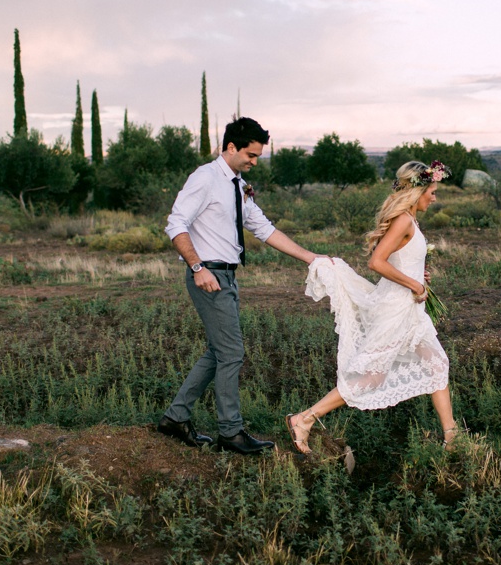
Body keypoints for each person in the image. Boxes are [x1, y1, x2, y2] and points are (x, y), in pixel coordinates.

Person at [159, 117, 327, 455]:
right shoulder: (205, 178)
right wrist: (197, 267)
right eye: (250, 155)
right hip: (208, 276)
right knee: (232, 352)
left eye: (257, 156)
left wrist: (312, 258)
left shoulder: (238, 185)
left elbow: (263, 228)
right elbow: (176, 223)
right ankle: (231, 433)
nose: (254, 162)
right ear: (231, 147)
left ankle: (176, 418)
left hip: (227, 276)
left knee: (218, 351)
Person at [286, 160, 459, 454]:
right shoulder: (403, 219)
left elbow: (398, 260)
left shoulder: (412, 221)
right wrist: (414, 285)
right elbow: (376, 262)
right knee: (372, 377)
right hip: (395, 309)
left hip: (411, 311)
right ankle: (304, 419)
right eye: (433, 191)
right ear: (418, 191)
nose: (434, 197)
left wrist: (418, 276)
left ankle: (452, 437)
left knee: (437, 364)